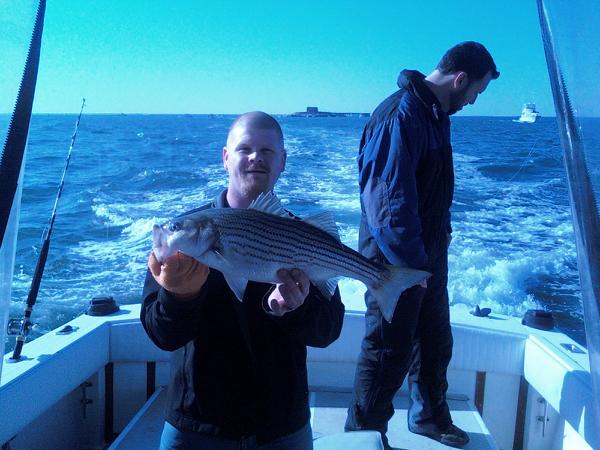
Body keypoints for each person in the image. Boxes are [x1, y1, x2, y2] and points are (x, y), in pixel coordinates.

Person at [141, 111, 345, 450]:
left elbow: (329, 330)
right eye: (244, 149)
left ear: (283, 161)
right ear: (225, 158)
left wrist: (294, 310)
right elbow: (161, 334)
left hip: (281, 428)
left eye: (267, 151)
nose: (256, 158)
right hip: (196, 427)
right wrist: (179, 297)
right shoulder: (185, 237)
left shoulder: (306, 237)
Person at [345, 41, 499, 449]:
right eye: (475, 92)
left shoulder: (435, 114)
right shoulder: (401, 115)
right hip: (394, 262)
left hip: (427, 256)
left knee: (435, 340)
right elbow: (388, 207)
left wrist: (433, 256)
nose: (472, 101)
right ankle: (363, 436)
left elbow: (429, 192)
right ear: (460, 79)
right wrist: (413, 269)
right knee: (387, 353)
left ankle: (429, 418)